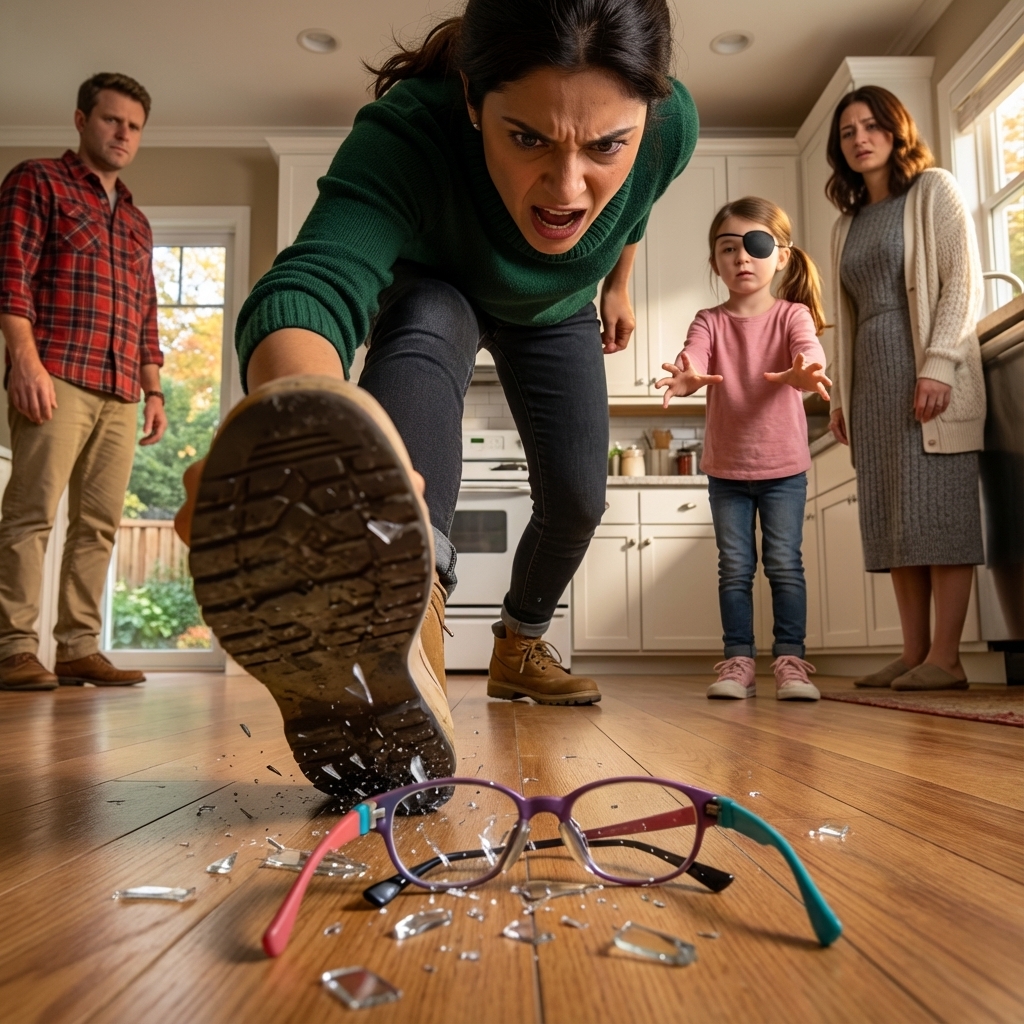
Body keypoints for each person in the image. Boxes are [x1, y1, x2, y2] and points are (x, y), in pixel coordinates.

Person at [176, 0, 698, 801]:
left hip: (556, 312)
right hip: (440, 286)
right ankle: (398, 639)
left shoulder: (672, 129)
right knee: (421, 327)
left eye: (606, 146)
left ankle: (519, 649)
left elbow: (638, 203)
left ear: (647, 118)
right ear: (470, 101)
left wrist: (620, 283)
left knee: (581, 498)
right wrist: (295, 424)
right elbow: (316, 282)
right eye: (526, 137)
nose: (566, 188)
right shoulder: (408, 134)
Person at [0, 73, 167, 692]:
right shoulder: (37, 180)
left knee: (98, 525)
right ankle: (13, 647)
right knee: (31, 514)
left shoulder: (137, 221)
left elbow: (145, 310)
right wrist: (24, 361)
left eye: (133, 126)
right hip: (57, 373)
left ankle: (76, 647)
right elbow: (10, 274)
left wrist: (154, 390)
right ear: (81, 120)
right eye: (111, 120)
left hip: (124, 388)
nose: (123, 133)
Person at [826, 86, 986, 692]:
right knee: (896, 520)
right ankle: (915, 651)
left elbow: (961, 282)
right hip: (873, 382)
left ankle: (948, 658)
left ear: (896, 131)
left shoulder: (933, 190)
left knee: (940, 512)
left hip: (927, 373)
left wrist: (939, 364)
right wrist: (840, 397)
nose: (860, 138)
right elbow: (845, 316)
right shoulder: (848, 224)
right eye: (848, 132)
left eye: (871, 126)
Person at [656, 197, 830, 701]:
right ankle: (738, 663)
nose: (742, 258)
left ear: (782, 256)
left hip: (784, 470)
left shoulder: (792, 315)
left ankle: (791, 663)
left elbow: (808, 346)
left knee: (783, 563)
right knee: (734, 566)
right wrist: (688, 373)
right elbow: (694, 352)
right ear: (715, 263)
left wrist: (805, 369)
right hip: (727, 470)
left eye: (755, 246)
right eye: (728, 248)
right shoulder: (709, 319)